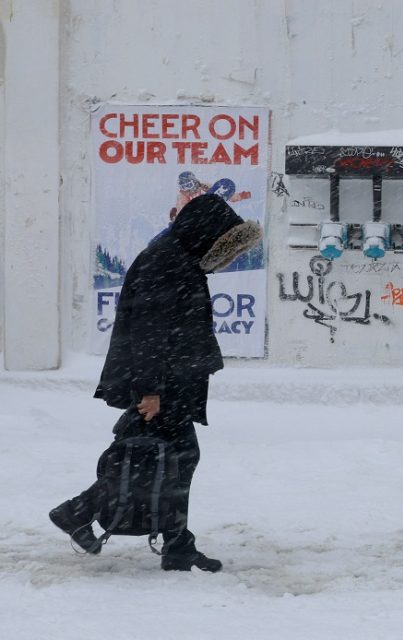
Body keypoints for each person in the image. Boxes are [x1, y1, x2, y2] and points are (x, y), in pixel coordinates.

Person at [49, 194, 263, 571]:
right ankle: (87, 515)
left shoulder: (177, 258)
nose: (224, 257)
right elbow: (148, 331)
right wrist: (150, 390)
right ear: (205, 232)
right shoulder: (165, 261)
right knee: (165, 460)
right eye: (222, 245)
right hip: (162, 385)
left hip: (171, 381)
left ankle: (154, 536)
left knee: (166, 461)